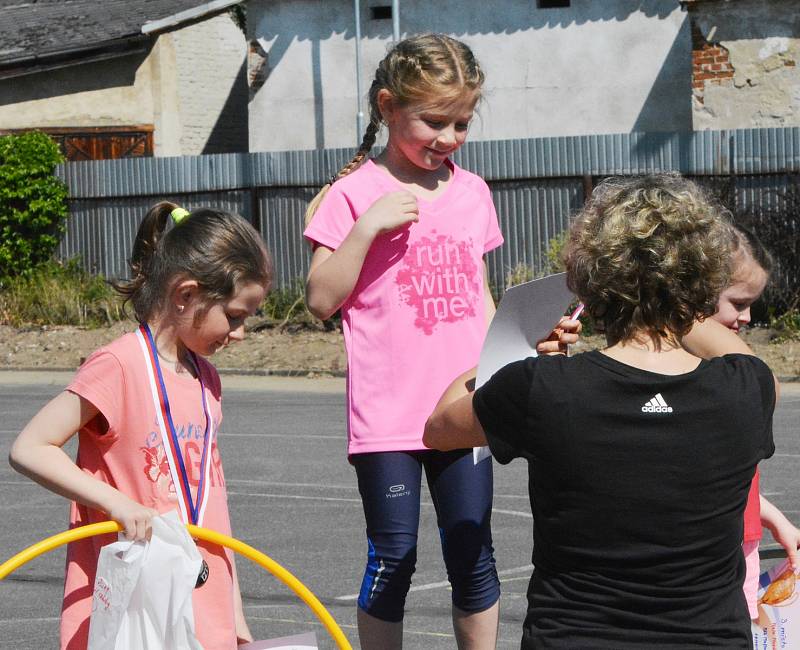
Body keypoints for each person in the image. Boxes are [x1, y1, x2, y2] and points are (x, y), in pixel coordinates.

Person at [303, 33, 578, 649]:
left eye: (462, 123)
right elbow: (322, 298)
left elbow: (479, 299)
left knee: (471, 550)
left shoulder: (473, 192)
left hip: (463, 406)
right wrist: (368, 228)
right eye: (434, 121)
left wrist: (524, 345)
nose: (449, 138)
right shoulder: (352, 194)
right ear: (386, 106)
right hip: (387, 414)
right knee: (394, 555)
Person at [424, 174, 779, 649]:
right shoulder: (746, 390)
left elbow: (438, 428)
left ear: (590, 276)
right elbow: (746, 359)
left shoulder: (540, 389)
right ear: (704, 280)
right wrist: (673, 301)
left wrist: (519, 349)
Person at [9, 202, 272, 650]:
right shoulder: (118, 365)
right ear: (186, 294)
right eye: (234, 315)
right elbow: (31, 447)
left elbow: (212, 505)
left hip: (202, 602)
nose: (241, 333)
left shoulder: (206, 378)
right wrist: (117, 503)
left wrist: (235, 617)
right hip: (131, 601)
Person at [686, 224, 800, 620]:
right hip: (713, 553)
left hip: (745, 543)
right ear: (694, 298)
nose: (748, 316)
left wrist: (774, 519)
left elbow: (734, 484)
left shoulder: (725, 377)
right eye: (738, 303)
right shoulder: (697, 381)